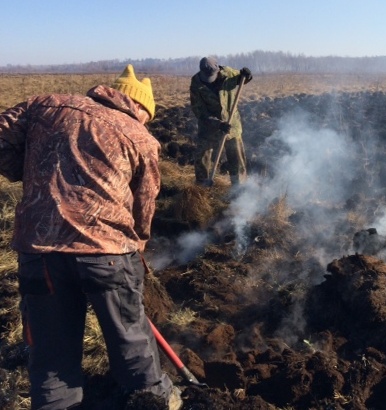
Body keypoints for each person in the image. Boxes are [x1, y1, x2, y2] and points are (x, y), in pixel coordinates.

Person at [0, 65, 182, 410]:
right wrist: (137, 246)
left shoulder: (46, 106)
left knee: (52, 359)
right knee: (131, 341)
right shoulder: (140, 137)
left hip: (40, 252)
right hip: (108, 253)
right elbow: (145, 209)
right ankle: (155, 400)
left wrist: (27, 170)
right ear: (140, 107)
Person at [190, 56, 252, 186]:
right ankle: (202, 189)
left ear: (217, 70)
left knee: (236, 156)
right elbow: (200, 112)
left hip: (231, 124)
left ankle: (239, 189)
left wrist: (247, 75)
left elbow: (241, 79)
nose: (209, 80)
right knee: (202, 158)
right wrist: (217, 123)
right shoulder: (196, 83)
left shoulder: (228, 73)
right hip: (209, 127)